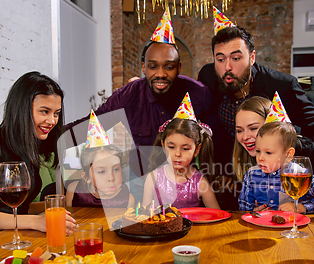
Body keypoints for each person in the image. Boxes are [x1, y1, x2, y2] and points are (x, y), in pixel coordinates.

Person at [65, 12, 214, 202]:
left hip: (182, 185)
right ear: (143, 67)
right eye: (153, 66)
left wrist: (212, 176)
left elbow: (214, 139)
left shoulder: (199, 94)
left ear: (178, 67)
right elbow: (92, 123)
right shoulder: (127, 96)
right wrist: (50, 138)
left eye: (168, 67)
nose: (160, 73)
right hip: (140, 184)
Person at [198, 26, 314, 170]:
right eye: (220, 59)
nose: (227, 67)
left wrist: (279, 142)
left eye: (236, 58)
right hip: (231, 169)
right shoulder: (208, 76)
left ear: (252, 58)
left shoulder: (282, 86)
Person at [0, 72, 76, 243]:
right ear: (21, 108)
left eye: (56, 113)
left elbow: (22, 209)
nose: (52, 120)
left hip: (17, 239)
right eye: (44, 111)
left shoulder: (27, 147)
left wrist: (65, 205)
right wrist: (36, 221)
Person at [238, 122, 314, 213]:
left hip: (292, 225)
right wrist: (252, 211)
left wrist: (302, 207)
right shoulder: (251, 175)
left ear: (288, 154)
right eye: (258, 151)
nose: (260, 158)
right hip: (261, 225)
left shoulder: (299, 175)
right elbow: (244, 205)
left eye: (268, 152)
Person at [142, 117, 220, 209]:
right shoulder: (153, 178)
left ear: (196, 150)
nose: (178, 154)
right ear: (163, 146)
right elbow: (144, 215)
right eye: (171, 147)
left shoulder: (200, 183)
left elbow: (217, 215)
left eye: (185, 149)